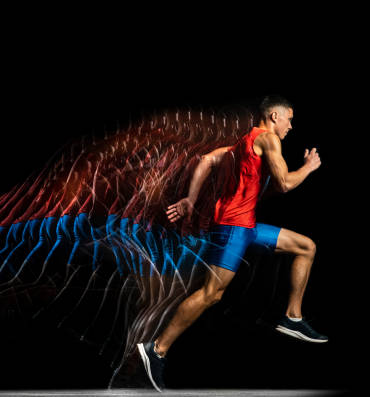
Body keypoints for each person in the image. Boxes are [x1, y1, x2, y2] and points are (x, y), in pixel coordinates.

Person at [137, 95, 328, 392]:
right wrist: (308, 168)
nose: (291, 126)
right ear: (275, 116)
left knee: (306, 246)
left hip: (246, 227)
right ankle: (156, 349)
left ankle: (292, 317)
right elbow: (284, 184)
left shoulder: (245, 141)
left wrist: (190, 198)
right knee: (211, 294)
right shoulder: (268, 139)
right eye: (289, 118)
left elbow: (207, 159)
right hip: (233, 228)